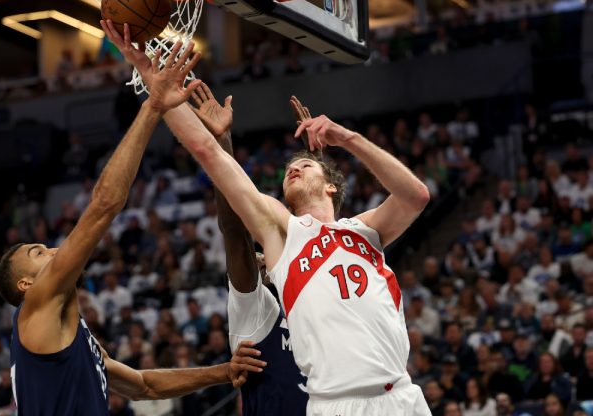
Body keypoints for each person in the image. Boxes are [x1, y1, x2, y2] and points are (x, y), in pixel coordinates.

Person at [102, 22, 432, 415]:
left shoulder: (365, 231)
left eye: (305, 164)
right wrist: (153, 84)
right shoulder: (283, 232)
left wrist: (348, 138)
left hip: (402, 395)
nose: (293, 169)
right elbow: (208, 152)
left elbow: (416, 195)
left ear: (331, 187)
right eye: (289, 169)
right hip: (338, 404)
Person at [0, 27, 261, 415]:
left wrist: (225, 371)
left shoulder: (69, 333)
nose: (53, 249)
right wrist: (152, 106)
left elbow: (144, 385)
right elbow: (104, 205)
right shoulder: (37, 303)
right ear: (26, 283)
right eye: (38, 252)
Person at [189, 82, 308, 415]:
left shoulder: (317, 302)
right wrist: (221, 143)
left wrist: (320, 162)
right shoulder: (258, 310)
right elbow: (234, 231)